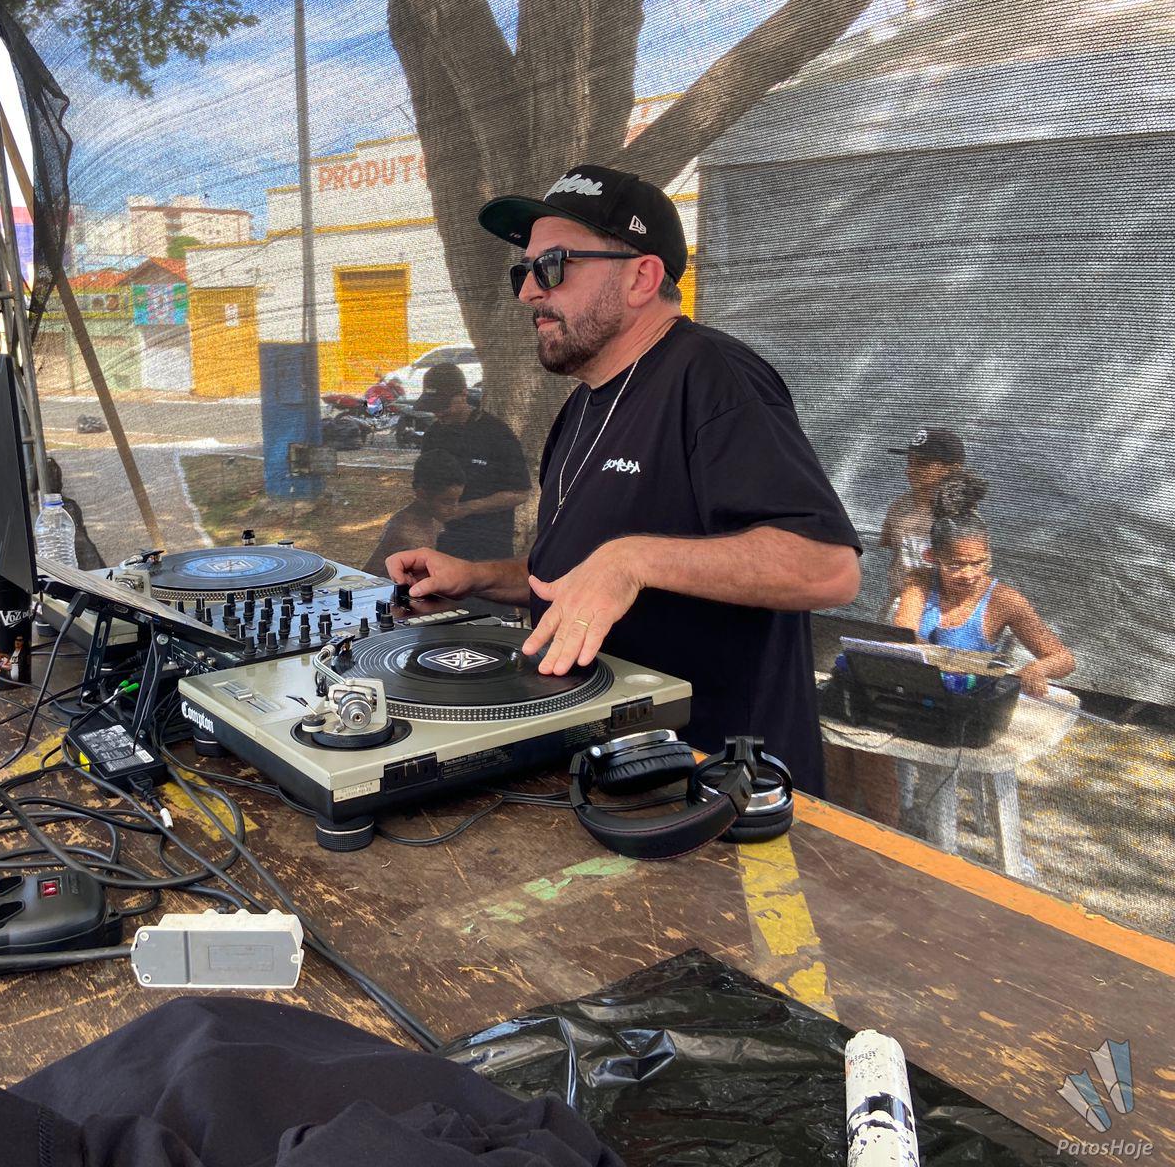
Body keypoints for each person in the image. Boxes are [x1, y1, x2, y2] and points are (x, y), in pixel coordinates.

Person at [386, 163, 861, 796]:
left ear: (641, 277)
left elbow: (827, 567)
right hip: (606, 772)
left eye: (552, 266)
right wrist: (478, 577)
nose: (528, 293)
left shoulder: (715, 377)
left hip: (717, 789)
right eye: (523, 272)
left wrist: (633, 560)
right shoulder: (581, 405)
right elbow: (578, 575)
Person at [894, 473, 1075, 697]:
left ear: (989, 556)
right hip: (918, 691)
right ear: (931, 557)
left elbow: (1064, 659)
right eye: (955, 565)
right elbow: (904, 635)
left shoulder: (1004, 600)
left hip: (970, 699)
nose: (968, 574)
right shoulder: (920, 581)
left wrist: (1038, 669)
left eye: (979, 563)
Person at [411, 363, 531, 561]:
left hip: (489, 545)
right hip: (444, 543)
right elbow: (423, 485)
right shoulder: (433, 434)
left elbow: (520, 493)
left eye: (444, 406)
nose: (439, 413)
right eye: (433, 407)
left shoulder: (496, 433)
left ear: (463, 394)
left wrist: (467, 508)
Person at [879, 427, 965, 617]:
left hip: (945, 610)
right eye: (910, 462)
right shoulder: (899, 506)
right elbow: (888, 547)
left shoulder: (962, 516)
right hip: (899, 603)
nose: (910, 470)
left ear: (953, 469)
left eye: (922, 464)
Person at [363, 451, 467, 576]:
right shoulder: (406, 532)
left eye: (457, 500)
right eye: (446, 502)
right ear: (422, 494)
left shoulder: (433, 520)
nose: (454, 508)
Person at [45, 456, 107, 571]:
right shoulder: (43, 511)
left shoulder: (70, 506)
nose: (58, 483)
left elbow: (83, 541)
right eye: (53, 480)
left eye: (58, 479)